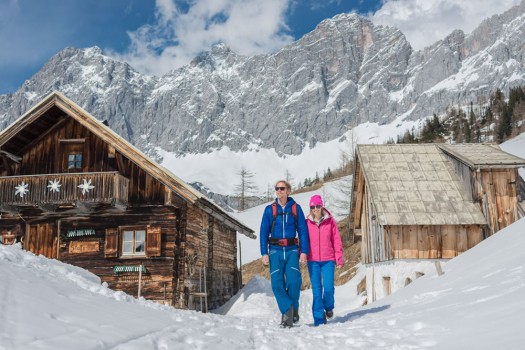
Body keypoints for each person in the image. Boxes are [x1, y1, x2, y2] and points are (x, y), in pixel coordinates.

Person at [260, 180, 309, 328]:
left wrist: (304, 252)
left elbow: (303, 232)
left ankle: (291, 312)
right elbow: (263, 232)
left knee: (294, 282)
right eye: (277, 188)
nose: (279, 191)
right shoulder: (270, 210)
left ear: (288, 190)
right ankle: (289, 311)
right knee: (276, 284)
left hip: (292, 250)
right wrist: (264, 252)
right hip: (274, 251)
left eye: (282, 188)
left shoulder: (296, 208)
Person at [306, 194, 344, 326]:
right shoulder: (307, 222)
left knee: (328, 288)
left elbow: (337, 240)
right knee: (317, 290)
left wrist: (339, 258)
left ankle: (328, 307)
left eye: (317, 206)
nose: (315, 209)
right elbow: (303, 241)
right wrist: (302, 253)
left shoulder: (330, 221)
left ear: (321, 206)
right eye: (312, 207)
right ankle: (319, 319)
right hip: (313, 261)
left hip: (328, 260)